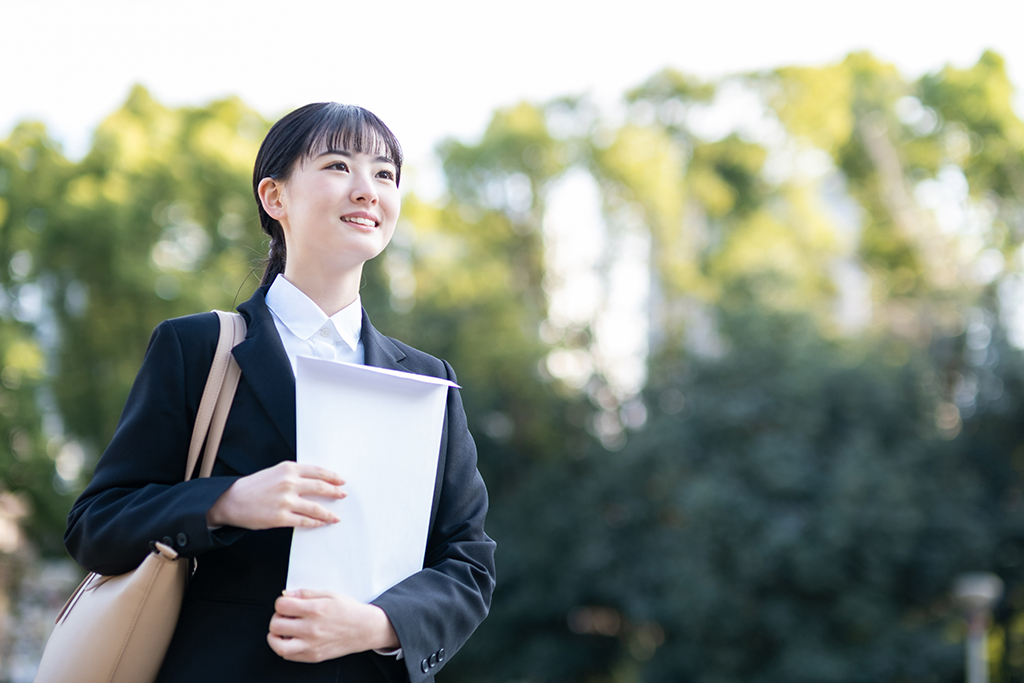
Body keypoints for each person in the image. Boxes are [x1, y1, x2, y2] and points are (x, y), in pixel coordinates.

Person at [63, 103, 496, 683]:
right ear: (274, 197)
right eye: (339, 166)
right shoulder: (198, 349)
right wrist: (225, 502)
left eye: (385, 174)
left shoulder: (425, 382)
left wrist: (376, 624)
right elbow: (95, 526)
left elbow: (467, 564)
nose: (367, 190)